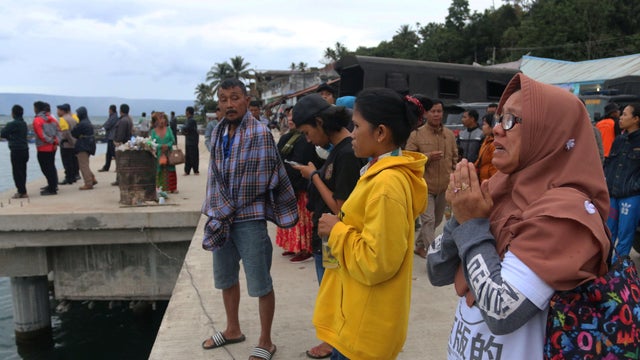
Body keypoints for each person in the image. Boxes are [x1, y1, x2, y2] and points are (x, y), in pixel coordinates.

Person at [427, 73, 610, 359]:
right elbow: (436, 270)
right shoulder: (497, 188)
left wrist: (472, 223)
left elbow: (502, 311)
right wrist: (460, 217)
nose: (497, 130)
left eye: (511, 120)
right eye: (500, 119)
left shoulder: (566, 214)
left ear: (548, 133)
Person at [314, 88, 428, 360]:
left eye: (356, 125)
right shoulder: (377, 173)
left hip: (363, 329)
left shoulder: (387, 184)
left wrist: (336, 230)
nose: (351, 133)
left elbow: (376, 261)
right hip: (356, 316)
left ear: (380, 133)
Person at [200, 78, 297, 360]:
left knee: (260, 282)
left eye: (234, 98)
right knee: (226, 277)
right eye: (223, 99)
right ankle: (233, 329)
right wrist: (216, 210)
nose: (228, 104)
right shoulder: (218, 132)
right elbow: (214, 178)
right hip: (222, 217)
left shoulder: (260, 132)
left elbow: (259, 180)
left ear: (246, 99)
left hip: (249, 219)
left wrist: (227, 208)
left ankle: (266, 341)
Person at [290, 93, 364, 359]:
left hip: (335, 244)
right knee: (332, 299)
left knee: (336, 301)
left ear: (320, 122)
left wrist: (314, 177)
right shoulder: (339, 151)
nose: (309, 139)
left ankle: (337, 348)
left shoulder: (346, 154)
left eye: (308, 132)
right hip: (327, 242)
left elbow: (341, 209)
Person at [406, 99, 458, 258]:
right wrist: (427, 157)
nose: (436, 114)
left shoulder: (449, 135)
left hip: (444, 186)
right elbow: (408, 158)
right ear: (426, 114)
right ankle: (433, 255)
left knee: (436, 221)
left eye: (439, 111)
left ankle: (420, 246)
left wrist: (453, 178)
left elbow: (454, 157)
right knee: (428, 221)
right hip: (425, 186)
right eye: (433, 111)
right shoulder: (416, 134)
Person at [276, 106, 321, 263]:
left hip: (300, 185)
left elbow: (305, 161)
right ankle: (292, 245)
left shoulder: (306, 140)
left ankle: (305, 248)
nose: (290, 120)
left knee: (302, 218)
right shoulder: (285, 138)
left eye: (293, 117)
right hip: (286, 184)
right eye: (288, 117)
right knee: (291, 218)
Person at [604, 102, 640, 260]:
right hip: (613, 196)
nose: (621, 117)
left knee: (625, 236)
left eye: (625, 114)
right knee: (607, 234)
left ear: (636, 119)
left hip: (630, 197)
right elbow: (609, 165)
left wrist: (635, 187)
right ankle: (604, 270)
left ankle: (618, 274)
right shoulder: (619, 140)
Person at [1, 105, 29, 198]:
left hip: (16, 150)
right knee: (23, 171)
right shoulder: (24, 123)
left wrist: (10, 138)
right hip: (25, 149)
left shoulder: (12, 124)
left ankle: (21, 191)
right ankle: (23, 190)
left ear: (13, 113)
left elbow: (2, 133)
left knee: (17, 171)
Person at [33, 101, 60, 196]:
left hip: (43, 148)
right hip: (53, 147)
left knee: (45, 168)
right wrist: (55, 141)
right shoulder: (52, 119)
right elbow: (59, 132)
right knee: (51, 167)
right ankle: (52, 185)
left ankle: (52, 188)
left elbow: (41, 135)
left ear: (37, 109)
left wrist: (50, 141)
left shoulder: (37, 120)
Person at [150, 112, 178, 194]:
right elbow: (151, 142)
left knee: (171, 169)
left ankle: (172, 188)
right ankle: (160, 188)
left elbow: (173, 140)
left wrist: (167, 145)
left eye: (163, 118)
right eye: (160, 119)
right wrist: (160, 146)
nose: (162, 121)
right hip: (159, 153)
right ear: (156, 121)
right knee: (159, 170)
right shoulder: (153, 131)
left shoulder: (169, 129)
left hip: (169, 152)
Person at [71, 106, 97, 190]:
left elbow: (74, 133)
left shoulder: (82, 123)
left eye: (78, 113)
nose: (77, 115)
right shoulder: (87, 122)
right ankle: (92, 178)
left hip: (83, 145)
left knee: (83, 165)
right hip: (89, 144)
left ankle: (88, 183)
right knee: (85, 163)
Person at [56, 103, 79, 185]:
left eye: (58, 110)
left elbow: (66, 132)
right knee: (72, 161)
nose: (57, 112)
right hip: (73, 143)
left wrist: (70, 141)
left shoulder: (63, 119)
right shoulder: (73, 118)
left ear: (62, 111)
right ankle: (73, 177)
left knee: (66, 162)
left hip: (66, 144)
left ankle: (68, 177)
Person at [111, 103, 134, 186]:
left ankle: (120, 180)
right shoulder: (129, 119)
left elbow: (120, 134)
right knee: (125, 163)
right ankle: (122, 179)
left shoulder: (123, 120)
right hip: (128, 143)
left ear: (121, 111)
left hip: (122, 144)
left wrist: (117, 142)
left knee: (120, 163)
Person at [474, 113, 497, 182]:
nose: (482, 127)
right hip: (483, 179)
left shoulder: (495, 144)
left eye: (484, 124)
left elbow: (495, 167)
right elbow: (480, 160)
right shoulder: (486, 141)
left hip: (490, 181)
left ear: (492, 126)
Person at [99, 104, 119, 172]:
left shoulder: (114, 117)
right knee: (109, 153)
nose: (108, 111)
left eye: (109, 109)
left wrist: (103, 127)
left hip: (112, 137)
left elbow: (108, 124)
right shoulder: (113, 116)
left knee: (113, 153)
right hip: (110, 136)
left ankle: (117, 167)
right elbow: (107, 123)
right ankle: (106, 167)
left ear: (111, 110)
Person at [183, 106, 199, 175]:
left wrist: (184, 130)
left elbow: (186, 128)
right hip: (188, 140)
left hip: (193, 141)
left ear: (188, 112)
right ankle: (187, 171)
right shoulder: (187, 120)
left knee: (194, 156)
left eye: (186, 111)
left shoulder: (192, 120)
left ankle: (195, 170)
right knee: (188, 156)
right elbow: (184, 129)